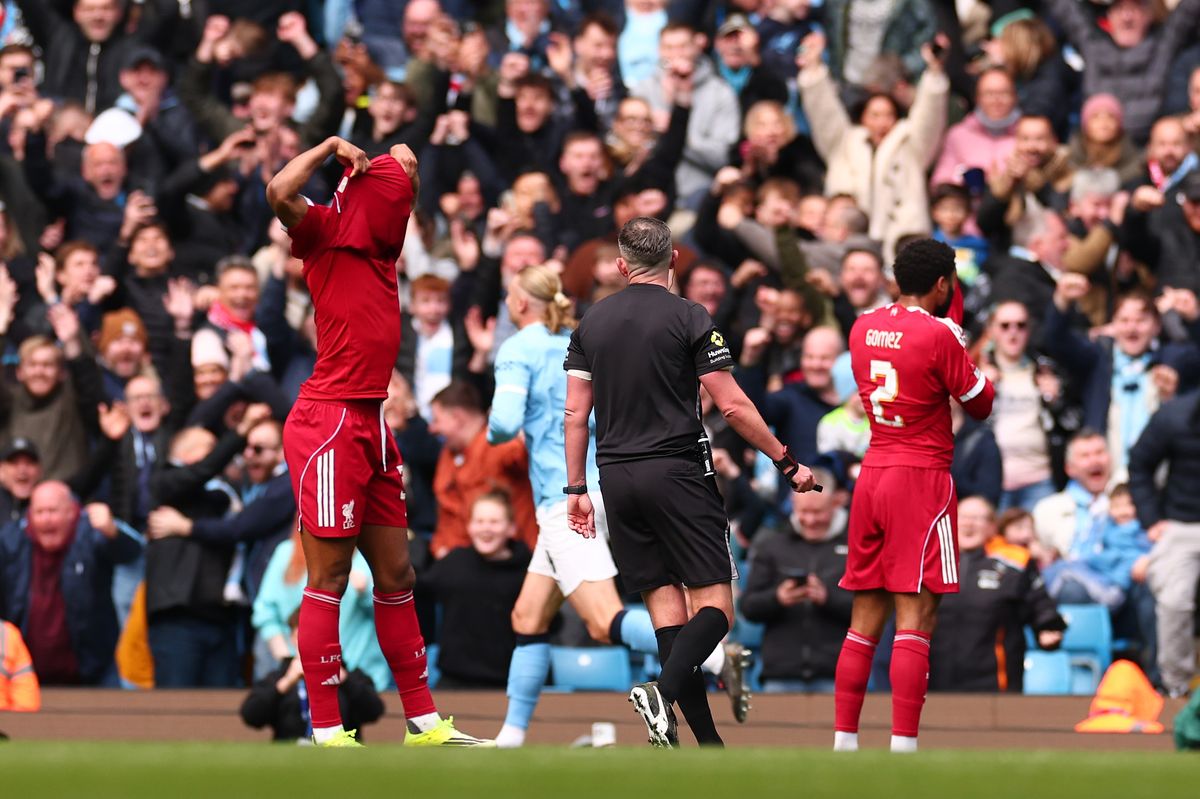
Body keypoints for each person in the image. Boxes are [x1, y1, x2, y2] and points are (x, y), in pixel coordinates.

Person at [266, 136, 489, 747]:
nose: (401, 213)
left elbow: (405, 172)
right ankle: (326, 729)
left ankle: (423, 723)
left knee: (398, 574)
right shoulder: (325, 231)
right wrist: (331, 146)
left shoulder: (382, 246)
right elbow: (279, 191)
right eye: (393, 201)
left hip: (371, 421)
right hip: (330, 421)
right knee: (330, 578)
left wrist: (397, 157)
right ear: (367, 198)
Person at [563, 217, 817, 748]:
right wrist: (786, 461)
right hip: (677, 471)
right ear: (674, 260)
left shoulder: (590, 323)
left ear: (620, 266)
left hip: (615, 476)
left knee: (668, 618)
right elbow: (731, 404)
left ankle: (707, 747)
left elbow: (573, 414)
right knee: (717, 610)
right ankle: (661, 691)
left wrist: (576, 489)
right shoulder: (689, 315)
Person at [488, 264, 752, 747]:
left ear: (521, 302)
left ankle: (713, 657)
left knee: (604, 618)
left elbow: (507, 422)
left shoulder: (522, 347)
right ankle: (510, 736)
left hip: (570, 494)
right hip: (613, 479)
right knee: (528, 615)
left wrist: (494, 435)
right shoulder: (578, 335)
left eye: (509, 294)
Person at [835, 238, 995, 753]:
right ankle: (903, 747)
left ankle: (844, 743)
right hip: (920, 478)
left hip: (873, 472)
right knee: (917, 617)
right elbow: (981, 403)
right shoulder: (939, 337)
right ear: (944, 284)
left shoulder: (861, 327)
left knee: (864, 618)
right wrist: (960, 341)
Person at [929, 496, 1065, 692]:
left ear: (992, 526)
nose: (968, 523)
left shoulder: (1014, 562)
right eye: (962, 517)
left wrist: (1047, 626)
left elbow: (1039, 602)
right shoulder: (930, 561)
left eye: (977, 518)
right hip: (935, 680)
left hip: (996, 683)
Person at [739, 468, 853, 693]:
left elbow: (872, 610)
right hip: (780, 673)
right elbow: (748, 607)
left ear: (836, 502)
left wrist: (827, 598)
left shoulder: (856, 544)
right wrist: (778, 597)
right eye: (804, 511)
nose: (810, 520)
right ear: (793, 503)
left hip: (839, 673)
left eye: (818, 512)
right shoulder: (772, 544)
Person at [1129, 387, 1200, 698]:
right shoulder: (1175, 415)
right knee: (1173, 601)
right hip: (1183, 525)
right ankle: (1176, 687)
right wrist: (1151, 520)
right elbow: (1139, 465)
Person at [424, 491, 530, 689]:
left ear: (511, 528)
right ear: (469, 526)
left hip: (508, 683)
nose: (486, 528)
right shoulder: (453, 563)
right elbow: (418, 596)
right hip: (453, 680)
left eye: (494, 521)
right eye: (479, 521)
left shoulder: (529, 571)